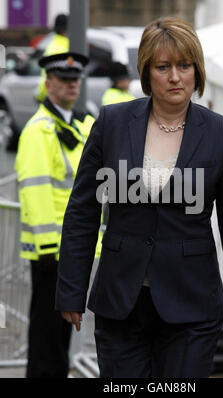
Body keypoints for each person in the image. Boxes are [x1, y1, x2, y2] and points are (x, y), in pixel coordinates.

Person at [55, 17, 223, 378]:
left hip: (192, 305)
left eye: (184, 66)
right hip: (121, 301)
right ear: (146, 71)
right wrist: (71, 290)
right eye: (163, 67)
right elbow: (82, 212)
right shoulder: (111, 123)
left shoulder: (222, 134)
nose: (174, 77)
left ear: (196, 71)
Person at [15, 52, 98, 378]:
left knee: (61, 330)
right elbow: (34, 191)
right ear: (48, 83)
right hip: (54, 252)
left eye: (75, 79)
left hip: (74, 248)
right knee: (48, 334)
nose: (71, 85)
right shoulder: (40, 131)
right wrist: (49, 247)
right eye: (63, 80)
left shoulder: (77, 123)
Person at [35, 14, 70, 103]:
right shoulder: (64, 49)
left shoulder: (53, 46)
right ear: (64, 30)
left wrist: (40, 95)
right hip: (57, 99)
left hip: (51, 96)